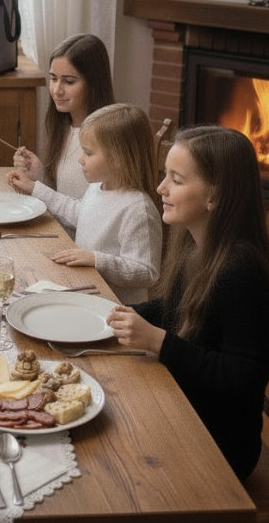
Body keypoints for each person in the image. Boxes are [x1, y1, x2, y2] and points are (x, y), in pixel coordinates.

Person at [106, 126, 269, 480]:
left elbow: (246, 375)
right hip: (184, 401)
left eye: (176, 180)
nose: (160, 188)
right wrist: (122, 313)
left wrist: (159, 342)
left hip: (220, 443)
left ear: (214, 196)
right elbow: (179, 307)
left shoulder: (240, 268)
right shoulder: (194, 243)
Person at [8, 103, 162, 304]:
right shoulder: (98, 188)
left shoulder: (137, 208)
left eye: (88, 153)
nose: (81, 160)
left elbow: (146, 272)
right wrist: (34, 188)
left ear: (118, 159)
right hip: (86, 292)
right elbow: (79, 214)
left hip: (116, 309)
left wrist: (97, 260)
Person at [13, 33, 115, 200]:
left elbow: (89, 214)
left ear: (94, 83)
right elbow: (65, 197)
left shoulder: (108, 138)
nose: (57, 90)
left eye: (69, 81)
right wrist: (40, 175)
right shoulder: (64, 127)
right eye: (53, 79)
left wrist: (36, 188)